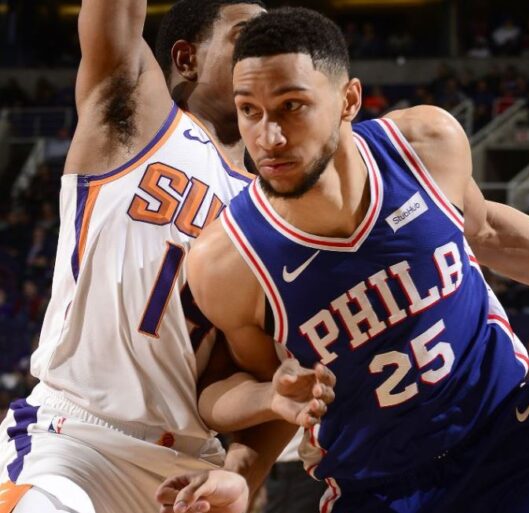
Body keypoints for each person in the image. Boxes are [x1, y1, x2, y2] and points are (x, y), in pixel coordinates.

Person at [164, 7, 529, 513]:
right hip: (377, 489)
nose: (269, 136)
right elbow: (255, 393)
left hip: (511, 443)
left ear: (349, 101)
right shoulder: (227, 260)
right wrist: (255, 434)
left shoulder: (424, 144)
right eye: (249, 111)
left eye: (292, 107)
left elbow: (489, 231)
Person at [0, 2, 334, 512]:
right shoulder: (136, 112)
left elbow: (258, 381)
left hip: (189, 468)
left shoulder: (277, 211)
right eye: (247, 35)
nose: (267, 50)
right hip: (74, 440)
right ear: (186, 59)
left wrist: (240, 480)